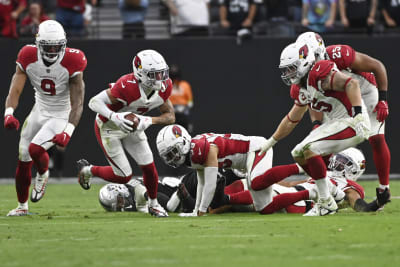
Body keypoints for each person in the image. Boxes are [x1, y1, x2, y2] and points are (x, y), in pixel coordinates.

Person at [258, 40, 370, 216]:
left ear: (304, 62)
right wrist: (270, 142)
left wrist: (358, 114)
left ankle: (326, 202)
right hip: (337, 122)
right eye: (286, 69)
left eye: (291, 68)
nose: (288, 73)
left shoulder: (320, 72)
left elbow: (352, 84)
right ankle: (331, 195)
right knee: (297, 153)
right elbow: (291, 120)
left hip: (353, 121)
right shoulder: (301, 87)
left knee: (310, 149)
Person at [77, 49, 175, 218]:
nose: (160, 79)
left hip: (134, 127)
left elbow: (170, 116)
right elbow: (94, 102)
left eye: (162, 73)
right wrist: (115, 117)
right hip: (109, 127)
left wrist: (148, 121)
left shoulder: (165, 87)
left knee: (149, 167)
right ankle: (88, 170)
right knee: (123, 176)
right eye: (154, 75)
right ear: (140, 73)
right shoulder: (127, 86)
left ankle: (154, 204)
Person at [4, 20, 87, 216]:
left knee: (35, 148)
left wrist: (68, 131)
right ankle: (22, 207)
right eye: (47, 46)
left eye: (56, 46)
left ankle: (43, 173)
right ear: (38, 43)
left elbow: (78, 103)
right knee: (23, 156)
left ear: (64, 44)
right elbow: (15, 89)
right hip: (39, 108)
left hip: (61, 113)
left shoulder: (73, 60)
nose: (51, 50)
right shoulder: (27, 55)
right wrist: (8, 113)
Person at [296, 32, 391, 201]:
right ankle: (327, 188)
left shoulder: (338, 54)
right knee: (321, 144)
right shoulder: (307, 71)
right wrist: (317, 123)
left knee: (376, 137)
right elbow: (314, 100)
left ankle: (384, 189)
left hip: (365, 91)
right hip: (341, 100)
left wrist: (383, 100)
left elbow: (377, 66)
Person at [156, 124, 317, 216]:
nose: (172, 158)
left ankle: (300, 167)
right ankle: (310, 193)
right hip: (243, 162)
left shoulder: (201, 148)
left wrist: (202, 210)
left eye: (173, 152)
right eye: (168, 155)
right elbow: (202, 182)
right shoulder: (192, 155)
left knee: (256, 182)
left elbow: (211, 184)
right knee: (265, 208)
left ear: (183, 142)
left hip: (255, 150)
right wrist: (197, 210)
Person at [214, 148, 390, 214]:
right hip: (293, 191)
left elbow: (359, 205)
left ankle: (216, 205)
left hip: (302, 201)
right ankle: (208, 204)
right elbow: (290, 185)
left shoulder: (351, 186)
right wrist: (272, 181)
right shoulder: (324, 174)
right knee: (244, 184)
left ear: (354, 169)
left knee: (257, 194)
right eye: (339, 158)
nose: (337, 162)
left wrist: (375, 204)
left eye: (344, 162)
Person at [169, 64, 194, 133]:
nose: (175, 80)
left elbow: (190, 101)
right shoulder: (167, 86)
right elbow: (164, 100)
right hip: (171, 113)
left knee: (185, 131)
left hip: (183, 113)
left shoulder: (185, 85)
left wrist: (185, 108)